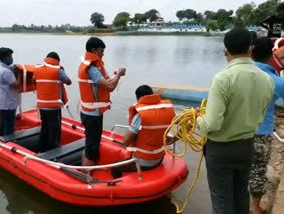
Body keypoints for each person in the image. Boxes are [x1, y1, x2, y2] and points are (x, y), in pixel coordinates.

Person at [196, 28, 274, 214]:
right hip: (247, 145)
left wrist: (199, 120)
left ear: (225, 51)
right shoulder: (267, 79)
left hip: (221, 149)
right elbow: (261, 116)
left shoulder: (223, 78)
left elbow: (212, 124)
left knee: (222, 203)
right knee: (241, 197)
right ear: (251, 48)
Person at [249, 37, 284, 214]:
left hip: (237, 131)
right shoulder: (274, 80)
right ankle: (255, 208)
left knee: (240, 168)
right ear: (272, 56)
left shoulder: (235, 74)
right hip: (261, 132)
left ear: (250, 52)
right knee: (258, 170)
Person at [78, 37, 126, 166]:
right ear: (94, 50)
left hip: (90, 112)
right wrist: (119, 75)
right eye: (101, 50)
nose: (103, 53)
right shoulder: (92, 68)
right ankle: (87, 178)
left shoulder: (91, 66)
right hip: (92, 115)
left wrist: (115, 75)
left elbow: (105, 82)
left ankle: (84, 171)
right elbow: (110, 87)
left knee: (90, 145)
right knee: (92, 149)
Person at [111, 85, 176, 178]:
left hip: (144, 162)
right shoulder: (167, 110)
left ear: (139, 98)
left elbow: (126, 142)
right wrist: (176, 137)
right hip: (159, 158)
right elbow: (181, 125)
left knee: (115, 166)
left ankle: (116, 185)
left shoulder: (140, 115)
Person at [33, 52, 72, 152]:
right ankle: (52, 153)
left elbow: (34, 79)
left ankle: (42, 149)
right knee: (54, 130)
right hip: (53, 107)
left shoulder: (37, 69)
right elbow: (68, 81)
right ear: (57, 61)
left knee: (45, 127)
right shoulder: (57, 71)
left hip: (42, 106)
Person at [0, 47, 20, 136]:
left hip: (3, 103)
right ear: (6, 58)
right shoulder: (6, 72)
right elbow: (16, 85)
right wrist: (19, 75)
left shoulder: (1, 68)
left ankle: (0, 141)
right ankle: (7, 145)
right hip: (8, 105)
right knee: (9, 128)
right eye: (10, 57)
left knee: (3, 124)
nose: (11, 58)